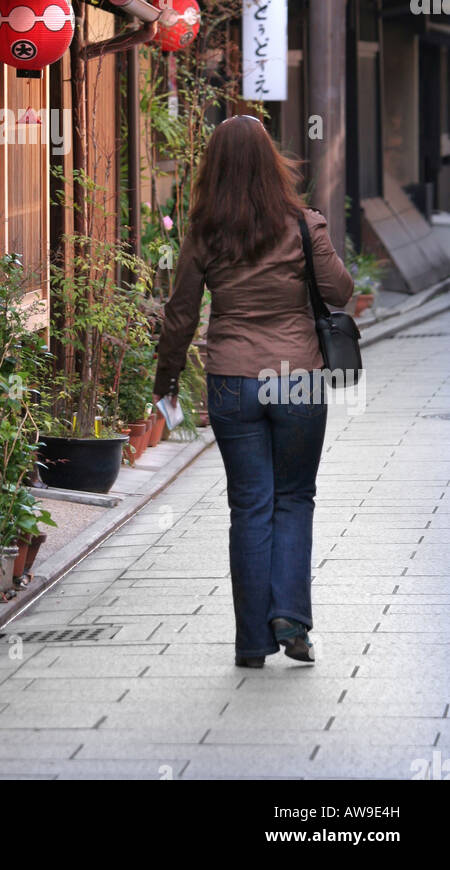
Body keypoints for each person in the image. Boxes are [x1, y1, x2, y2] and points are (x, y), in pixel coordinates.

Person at [153, 115, 354, 668]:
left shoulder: (204, 232)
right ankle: (290, 619)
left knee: (249, 506)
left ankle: (251, 643)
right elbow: (342, 289)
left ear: (213, 168)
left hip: (233, 382)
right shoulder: (301, 224)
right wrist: (318, 236)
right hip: (297, 379)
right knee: (294, 498)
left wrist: (165, 382)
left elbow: (181, 315)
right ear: (273, 164)